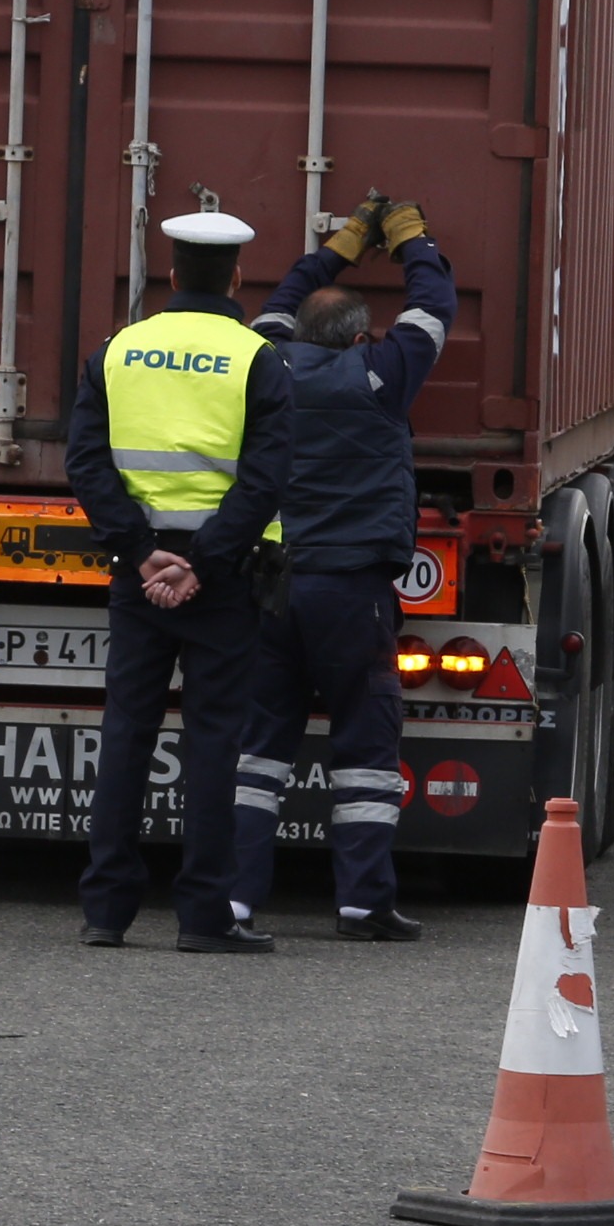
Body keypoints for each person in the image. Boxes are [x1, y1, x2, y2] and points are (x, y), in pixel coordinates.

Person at [64, 209, 293, 951]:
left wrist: (141, 554)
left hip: (141, 574)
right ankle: (203, 917)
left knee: (127, 732)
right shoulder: (257, 358)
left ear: (168, 276)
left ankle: (106, 912)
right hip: (222, 576)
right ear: (236, 277)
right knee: (214, 741)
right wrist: (205, 559)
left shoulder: (118, 351)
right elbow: (265, 479)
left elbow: (88, 465)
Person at [235, 196, 454, 939]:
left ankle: (235, 899)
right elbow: (434, 306)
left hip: (271, 586)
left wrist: (342, 245)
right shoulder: (383, 377)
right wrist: (411, 241)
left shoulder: (265, 365)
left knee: (259, 747)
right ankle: (362, 902)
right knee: (364, 748)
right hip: (351, 591)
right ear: (363, 337)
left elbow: (282, 300)